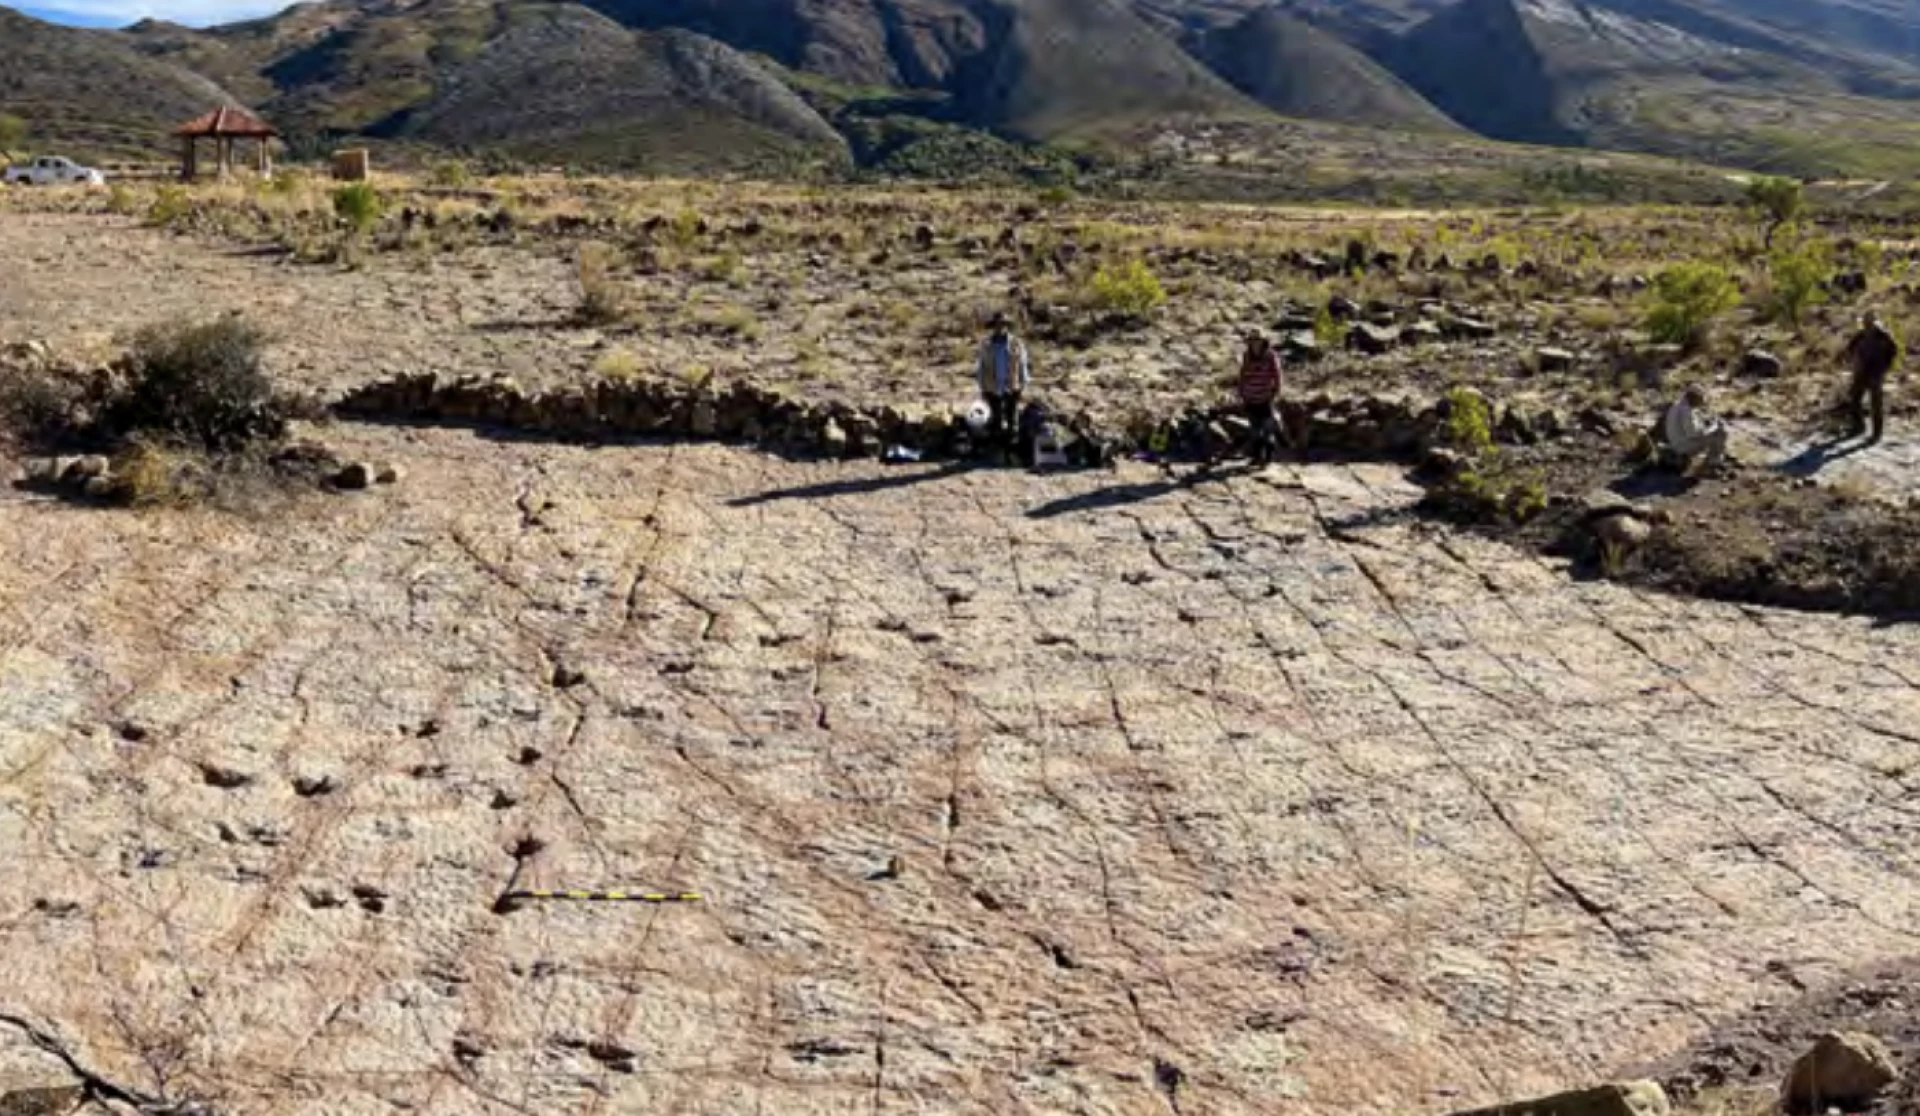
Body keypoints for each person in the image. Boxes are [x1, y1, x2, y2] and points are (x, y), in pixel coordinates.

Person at [974, 312, 1030, 452]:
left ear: (1007, 326)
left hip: (1012, 384)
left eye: (1003, 324)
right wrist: (982, 386)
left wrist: (1023, 383)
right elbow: (981, 366)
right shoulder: (986, 344)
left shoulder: (1016, 344)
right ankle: (997, 447)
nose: (1000, 327)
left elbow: (1022, 364)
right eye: (997, 325)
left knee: (1012, 416)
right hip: (992, 385)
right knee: (996, 416)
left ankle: (1011, 447)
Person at [1843, 310, 1898, 443]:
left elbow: (1893, 351)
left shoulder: (1883, 335)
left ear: (1874, 322)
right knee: (1855, 398)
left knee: (1876, 404)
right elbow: (1850, 348)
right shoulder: (1861, 335)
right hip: (1861, 371)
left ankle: (1876, 434)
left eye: (1869, 321)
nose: (1867, 323)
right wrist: (1855, 361)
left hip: (1876, 372)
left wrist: (1885, 366)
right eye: (1865, 321)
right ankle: (1858, 426)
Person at [1236, 330, 1284, 463]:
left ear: (1263, 342)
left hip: (1265, 397)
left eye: (1257, 341)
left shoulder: (1271, 356)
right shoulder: (1247, 356)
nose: (1255, 344)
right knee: (1254, 429)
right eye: (1252, 341)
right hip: (1250, 396)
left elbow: (1277, 375)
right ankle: (1256, 456)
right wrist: (1241, 390)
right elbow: (1243, 374)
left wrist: (1275, 391)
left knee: (1267, 429)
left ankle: (1268, 455)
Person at [1662, 385, 1729, 473]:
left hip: (1677, 442)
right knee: (1720, 432)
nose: (1701, 401)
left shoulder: (1678, 405)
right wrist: (1713, 427)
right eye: (1700, 399)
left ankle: (1713, 460)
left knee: (1714, 430)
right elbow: (1693, 434)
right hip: (1684, 445)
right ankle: (1714, 463)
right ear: (1694, 397)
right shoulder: (1686, 411)